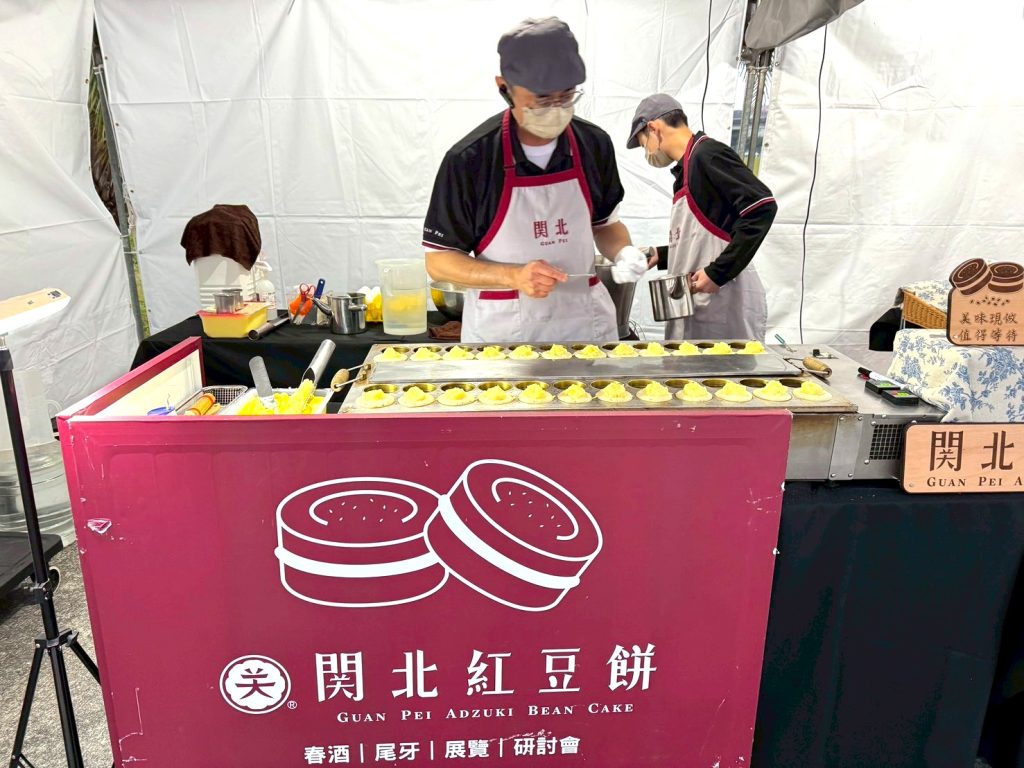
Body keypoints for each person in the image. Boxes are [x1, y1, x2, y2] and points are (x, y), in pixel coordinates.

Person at [423, 17, 651, 343]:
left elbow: (605, 225)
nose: (556, 109)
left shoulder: (593, 144)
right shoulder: (470, 160)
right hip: (503, 336)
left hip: (584, 328)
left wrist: (624, 251)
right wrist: (513, 276)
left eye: (567, 96)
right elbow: (440, 261)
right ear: (505, 87)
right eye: (542, 99)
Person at [626, 94, 776, 340]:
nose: (648, 152)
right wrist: (661, 254)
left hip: (723, 307)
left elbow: (761, 207)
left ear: (653, 128)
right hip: (697, 307)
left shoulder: (707, 155)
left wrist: (718, 273)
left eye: (644, 144)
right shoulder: (686, 170)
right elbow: (707, 236)